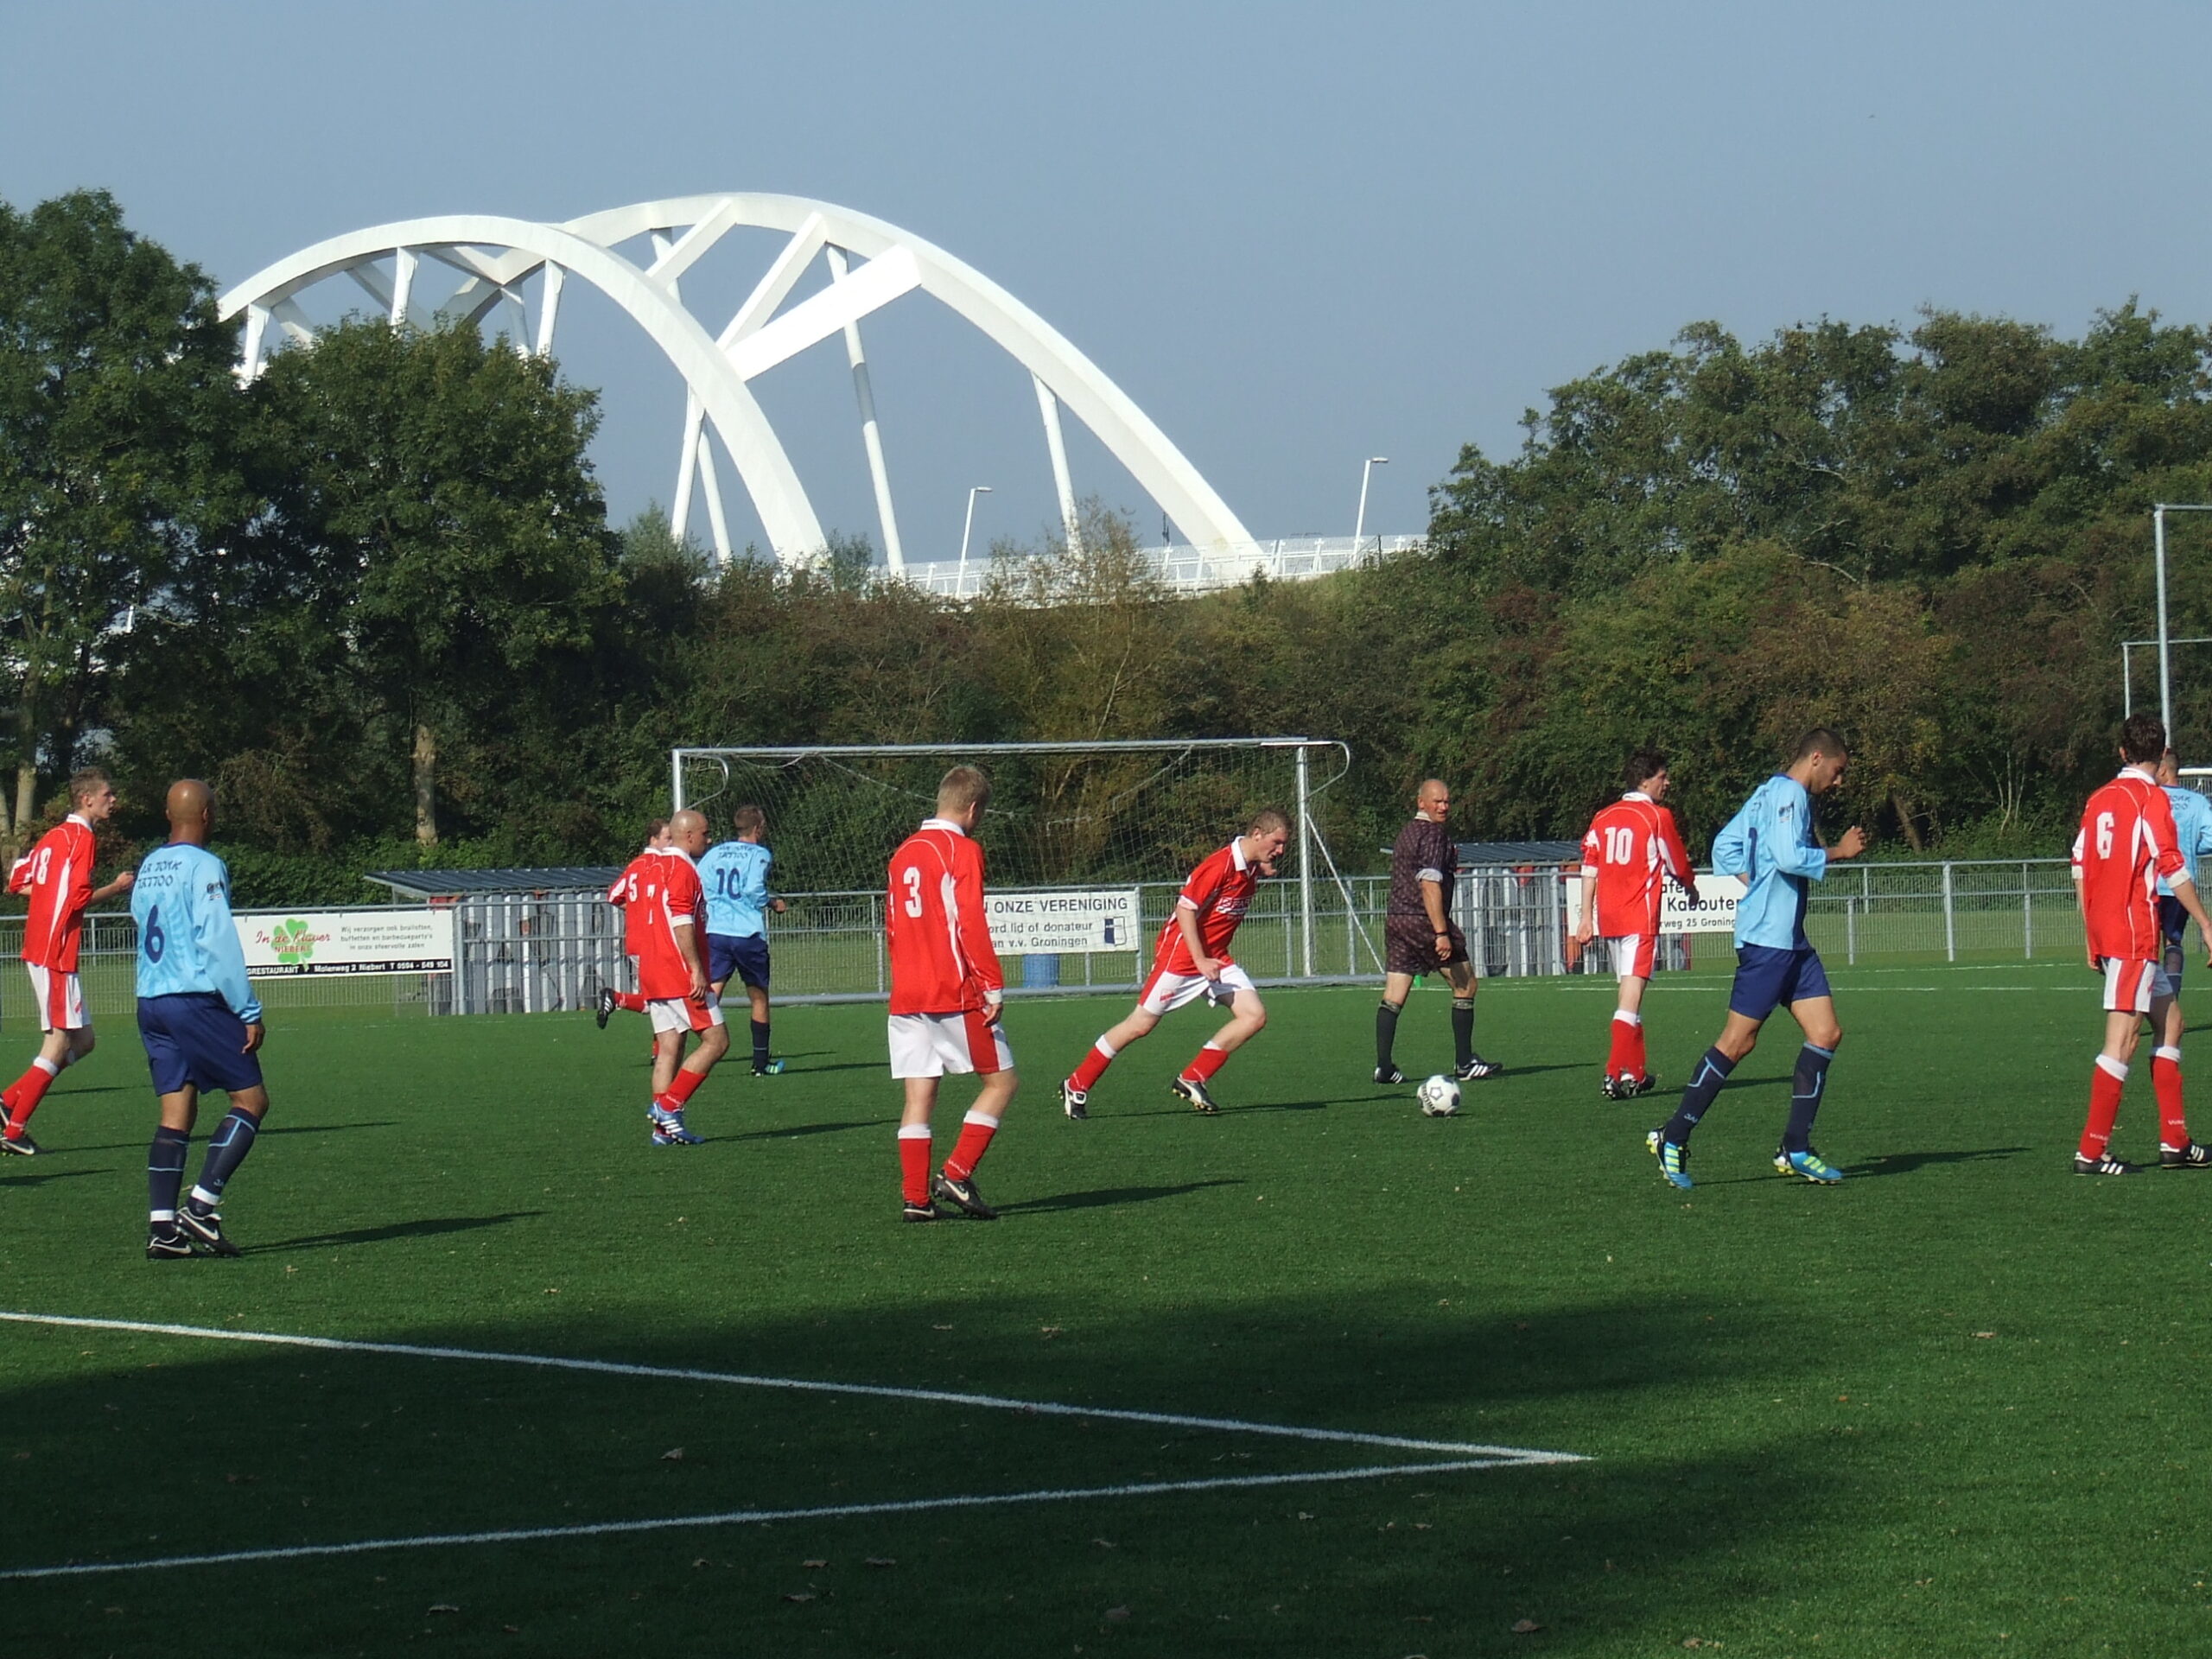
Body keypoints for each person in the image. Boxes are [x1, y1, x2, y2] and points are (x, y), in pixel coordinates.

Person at [1646, 728, 1867, 1190]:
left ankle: (1796, 1147)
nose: (1839, 781)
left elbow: (1724, 847)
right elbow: (1788, 856)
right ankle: (1673, 1134)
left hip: (1791, 942)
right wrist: (1839, 852)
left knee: (1826, 1032)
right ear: (1816, 758)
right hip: (1769, 943)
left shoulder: (1766, 791)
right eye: (1838, 770)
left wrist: (1757, 881)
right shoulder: (1790, 795)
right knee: (1736, 1043)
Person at [1060, 808, 1291, 1118]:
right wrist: (1198, 959)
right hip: (1182, 959)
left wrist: (1261, 867)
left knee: (1254, 1016)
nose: (1280, 851)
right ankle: (1077, 1083)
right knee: (1139, 1025)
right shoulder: (1219, 864)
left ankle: (1193, 1077)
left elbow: (1237, 889)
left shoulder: (1250, 865)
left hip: (1216, 958)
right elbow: (1185, 909)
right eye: (1276, 843)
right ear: (1257, 834)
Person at [2069, 716, 2212, 1173]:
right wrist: (2206, 924)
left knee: (2171, 1023)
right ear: (2162, 752)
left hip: (2112, 931)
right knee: (2124, 1038)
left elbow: (2079, 864)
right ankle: (2091, 1151)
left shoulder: (2099, 800)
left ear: (2122, 752)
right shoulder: (2150, 798)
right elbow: (2172, 865)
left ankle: (2176, 1142)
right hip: (2134, 933)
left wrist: (2091, 931)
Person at [133, 780, 269, 1259]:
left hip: (150, 1000)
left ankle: (163, 1230)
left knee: (176, 1114)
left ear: (169, 815)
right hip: (192, 998)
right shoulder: (206, 866)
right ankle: (203, 1205)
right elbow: (215, 939)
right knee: (251, 1100)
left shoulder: (149, 865)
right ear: (207, 814)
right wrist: (247, 1010)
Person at [886, 766, 1013, 1221]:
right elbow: (970, 922)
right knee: (1001, 1082)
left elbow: (894, 928)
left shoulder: (903, 853)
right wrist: (991, 984)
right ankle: (957, 1173)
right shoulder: (960, 850)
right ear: (974, 808)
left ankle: (916, 1199)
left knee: (919, 1096)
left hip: (906, 994)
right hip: (952, 990)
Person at [0, 767, 135, 1154]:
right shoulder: (81, 838)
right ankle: (13, 1132)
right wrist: (117, 888)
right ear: (86, 799)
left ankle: (10, 1100)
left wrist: (45, 901)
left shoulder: (54, 836)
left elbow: (17, 881)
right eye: (108, 794)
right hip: (54, 950)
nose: (114, 800)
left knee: (85, 1041)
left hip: (47, 947)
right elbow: (75, 898)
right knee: (59, 1042)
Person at [1574, 751, 1696, 1100]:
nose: (1667, 782)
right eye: (1662, 776)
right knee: (1630, 1001)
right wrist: (1690, 886)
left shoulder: (1603, 816)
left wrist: (1586, 916)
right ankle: (1613, 1074)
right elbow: (1677, 863)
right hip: (1639, 919)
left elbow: (1590, 867)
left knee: (1630, 998)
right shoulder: (1657, 817)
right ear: (1645, 780)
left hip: (1610, 918)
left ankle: (1636, 1074)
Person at [1374, 779, 1500, 1085]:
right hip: (1424, 921)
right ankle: (1464, 1061)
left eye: (1447, 801)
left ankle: (1384, 1068)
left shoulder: (1406, 833)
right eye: (1437, 801)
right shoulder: (1433, 834)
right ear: (1421, 803)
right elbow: (1429, 883)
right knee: (1466, 984)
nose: (1443, 806)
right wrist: (1441, 932)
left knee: (1394, 994)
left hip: (1397, 919)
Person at [634, 809, 730, 1145]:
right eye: (706, 833)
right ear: (688, 836)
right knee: (717, 1041)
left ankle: (663, 1132)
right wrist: (696, 968)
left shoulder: (651, 868)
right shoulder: (682, 869)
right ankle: (669, 1108)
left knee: (668, 1049)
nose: (710, 838)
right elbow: (681, 922)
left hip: (652, 970)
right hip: (677, 972)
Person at [696, 804, 788, 1077]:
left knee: (711, 994)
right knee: (758, 997)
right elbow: (753, 889)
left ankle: (701, 1051)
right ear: (758, 828)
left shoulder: (715, 853)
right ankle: (760, 1065)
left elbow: (700, 883)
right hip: (747, 934)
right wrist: (771, 902)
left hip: (717, 931)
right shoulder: (759, 854)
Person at [597, 817, 669, 1027]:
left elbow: (613, 896)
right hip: (652, 942)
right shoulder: (660, 865)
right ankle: (616, 998)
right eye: (668, 838)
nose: (671, 843)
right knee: (662, 1000)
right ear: (653, 840)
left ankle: (660, 1052)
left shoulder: (635, 865)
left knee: (657, 999)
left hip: (634, 941)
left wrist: (636, 907)